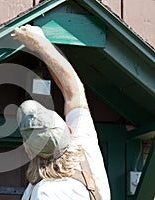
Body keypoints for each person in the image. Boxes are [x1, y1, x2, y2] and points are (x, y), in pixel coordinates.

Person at [12, 25, 110, 200]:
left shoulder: (47, 193)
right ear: (69, 131)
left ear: (28, 150)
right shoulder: (85, 150)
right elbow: (74, 92)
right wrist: (40, 43)